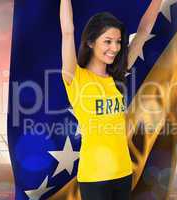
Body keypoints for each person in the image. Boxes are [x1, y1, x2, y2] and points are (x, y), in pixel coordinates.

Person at [60, 0, 162, 199]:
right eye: (108, 41)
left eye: (117, 42)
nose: (115, 48)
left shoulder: (118, 75)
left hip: (123, 173)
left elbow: (143, 31)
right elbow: (67, 31)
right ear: (90, 42)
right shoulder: (75, 76)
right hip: (94, 178)